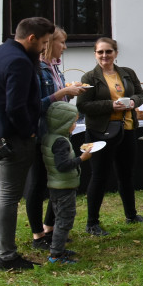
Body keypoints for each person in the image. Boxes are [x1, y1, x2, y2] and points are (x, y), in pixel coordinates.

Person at [0, 16, 55, 271]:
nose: (43, 48)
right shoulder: (19, 62)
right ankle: (6, 257)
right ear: (31, 38)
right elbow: (16, 106)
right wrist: (28, 131)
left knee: (0, 191)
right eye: (43, 42)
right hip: (8, 137)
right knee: (9, 195)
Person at [77, 37, 143, 236]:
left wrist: (133, 101)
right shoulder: (90, 77)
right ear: (95, 54)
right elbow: (82, 106)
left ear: (116, 53)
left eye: (108, 51)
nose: (104, 56)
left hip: (127, 129)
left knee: (126, 174)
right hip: (100, 132)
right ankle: (92, 223)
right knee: (99, 176)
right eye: (100, 52)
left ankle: (131, 215)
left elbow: (141, 94)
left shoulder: (127, 73)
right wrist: (111, 105)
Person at [25, 27, 86, 251]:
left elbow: (58, 104)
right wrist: (59, 95)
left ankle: (50, 228)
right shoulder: (36, 69)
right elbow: (35, 105)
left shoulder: (55, 68)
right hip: (41, 135)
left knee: (58, 180)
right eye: (62, 42)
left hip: (59, 133)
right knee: (39, 182)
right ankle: (37, 235)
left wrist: (70, 91)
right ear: (50, 43)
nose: (65, 47)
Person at [40, 101, 92, 265]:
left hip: (55, 185)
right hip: (64, 186)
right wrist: (81, 159)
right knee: (65, 220)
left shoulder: (50, 137)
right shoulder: (61, 142)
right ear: (63, 123)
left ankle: (58, 248)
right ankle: (56, 255)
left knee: (60, 218)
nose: (75, 125)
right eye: (73, 122)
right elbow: (62, 166)